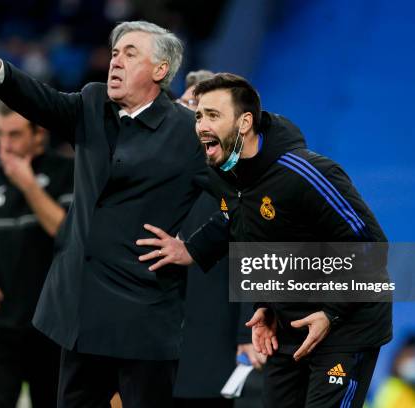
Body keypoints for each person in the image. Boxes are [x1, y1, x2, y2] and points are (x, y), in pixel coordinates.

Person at [0, 21, 208, 407]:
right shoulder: (92, 103)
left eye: (130, 54)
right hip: (79, 316)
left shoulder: (190, 132)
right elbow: (39, 99)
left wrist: (194, 248)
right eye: (114, 53)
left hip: (143, 319)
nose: (116, 62)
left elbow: (239, 197)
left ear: (160, 70)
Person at [138, 73, 392, 408]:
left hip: (346, 327)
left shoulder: (306, 173)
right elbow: (242, 222)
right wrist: (262, 303)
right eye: (199, 116)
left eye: (213, 115)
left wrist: (331, 312)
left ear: (244, 122)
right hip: (286, 328)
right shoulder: (223, 176)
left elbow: (372, 246)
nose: (200, 125)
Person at [0, 101, 73, 407]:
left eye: (15, 135)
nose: (5, 145)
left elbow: (67, 232)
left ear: (39, 134)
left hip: (51, 326)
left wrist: (28, 185)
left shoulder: (67, 172)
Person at [173, 69, 263, 408]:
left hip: (215, 341)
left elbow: (253, 257)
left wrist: (246, 333)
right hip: (161, 338)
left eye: (211, 113)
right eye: (191, 110)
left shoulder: (241, 184)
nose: (199, 124)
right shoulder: (163, 175)